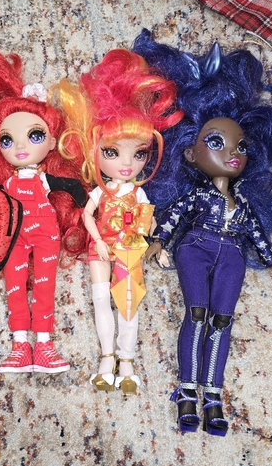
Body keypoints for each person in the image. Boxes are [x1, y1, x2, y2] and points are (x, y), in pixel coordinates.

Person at [134, 30, 272, 434]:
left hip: (231, 255)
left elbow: (256, 233)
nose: (231, 153)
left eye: (239, 147)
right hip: (195, 247)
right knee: (197, 313)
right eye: (216, 142)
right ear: (190, 153)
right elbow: (176, 214)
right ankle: (186, 391)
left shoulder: (242, 204)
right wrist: (158, 240)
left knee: (221, 320)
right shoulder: (196, 195)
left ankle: (212, 395)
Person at [56, 49, 183, 394]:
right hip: (100, 249)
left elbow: (149, 219)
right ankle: (106, 358)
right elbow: (86, 214)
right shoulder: (101, 191)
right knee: (101, 300)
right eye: (112, 152)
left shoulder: (138, 193)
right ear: (92, 148)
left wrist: (158, 246)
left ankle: (126, 361)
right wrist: (97, 240)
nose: (127, 165)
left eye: (139, 153)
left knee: (127, 303)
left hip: (129, 249)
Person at [0, 50, 86, 374]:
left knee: (45, 284)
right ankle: (19, 346)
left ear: (52, 141)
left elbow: (74, 188)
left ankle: (43, 345)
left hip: (46, 233)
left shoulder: (45, 179)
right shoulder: (5, 185)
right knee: (14, 285)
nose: (20, 146)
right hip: (12, 235)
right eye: (7, 140)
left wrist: (88, 208)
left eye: (35, 135)